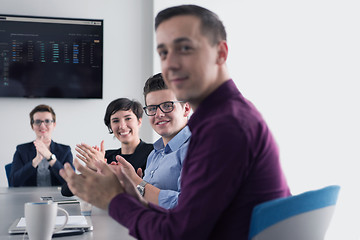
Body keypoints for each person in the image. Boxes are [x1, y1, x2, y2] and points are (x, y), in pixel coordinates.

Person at [60, 4, 291, 240]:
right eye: (163, 53)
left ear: (220, 53)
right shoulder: (223, 116)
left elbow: (178, 233)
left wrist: (114, 200)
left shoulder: (226, 126)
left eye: (185, 48)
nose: (170, 64)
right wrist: (131, 192)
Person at [116, 73, 191, 209]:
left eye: (167, 105)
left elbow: (189, 206)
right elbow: (148, 199)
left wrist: (138, 183)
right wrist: (131, 186)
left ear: (186, 109)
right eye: (152, 108)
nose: (159, 114)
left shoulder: (197, 148)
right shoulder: (154, 154)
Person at [61, 98, 153, 196]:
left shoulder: (154, 152)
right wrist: (91, 170)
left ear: (139, 122)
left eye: (128, 118)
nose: (122, 126)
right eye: (115, 121)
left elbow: (152, 192)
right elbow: (66, 191)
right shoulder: (107, 157)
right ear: (110, 127)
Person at [11, 104, 73, 187]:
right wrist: (36, 160)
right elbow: (13, 183)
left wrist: (50, 157)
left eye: (47, 121)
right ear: (32, 126)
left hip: (58, 198)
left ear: (54, 124)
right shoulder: (21, 150)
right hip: (28, 198)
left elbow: (72, 182)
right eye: (37, 122)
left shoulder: (65, 150)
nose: (42, 126)